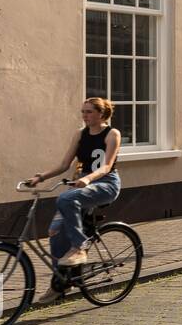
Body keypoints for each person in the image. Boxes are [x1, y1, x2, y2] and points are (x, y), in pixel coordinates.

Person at [26, 97, 122, 270]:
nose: (85, 116)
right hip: (82, 184)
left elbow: (107, 166)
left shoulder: (112, 134)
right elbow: (64, 165)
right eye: (83, 112)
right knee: (55, 232)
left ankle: (80, 246)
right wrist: (40, 177)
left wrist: (87, 178)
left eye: (89, 112)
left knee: (65, 199)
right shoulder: (80, 134)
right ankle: (61, 282)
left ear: (101, 114)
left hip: (106, 184)